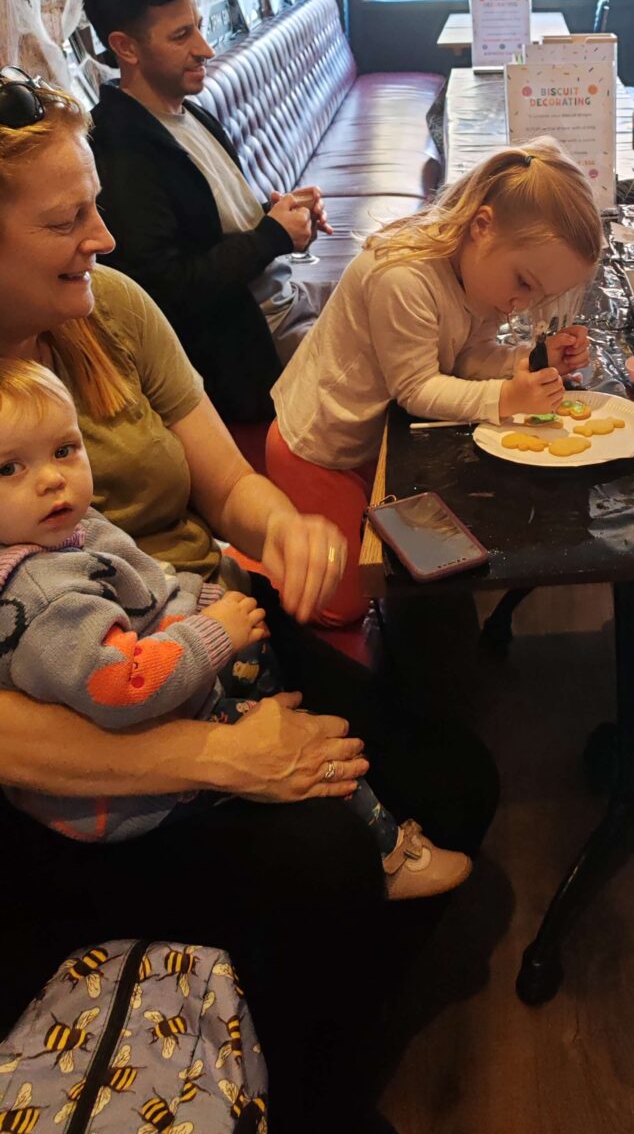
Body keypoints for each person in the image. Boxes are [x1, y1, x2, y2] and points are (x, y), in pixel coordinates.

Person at [0, 68, 499, 1134]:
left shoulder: (110, 310)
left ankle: (304, 1039)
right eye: (66, 217)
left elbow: (224, 481)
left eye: (95, 202)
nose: (101, 234)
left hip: (213, 637)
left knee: (459, 785)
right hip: (87, 764)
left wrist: (288, 530)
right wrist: (217, 758)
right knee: (326, 861)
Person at [0, 357, 471, 900]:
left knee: (451, 776)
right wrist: (213, 631)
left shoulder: (69, 526)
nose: (53, 478)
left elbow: (147, 575)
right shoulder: (44, 594)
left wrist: (208, 592)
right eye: (10, 469)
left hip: (184, 641)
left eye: (65, 450)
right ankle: (390, 853)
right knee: (322, 760)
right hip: (129, 752)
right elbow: (119, 685)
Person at [269, 137, 605, 626]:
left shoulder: (478, 274)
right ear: (482, 227)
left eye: (541, 296)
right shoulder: (402, 276)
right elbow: (419, 389)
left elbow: (468, 357)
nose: (522, 305)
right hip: (318, 447)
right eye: (525, 284)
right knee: (341, 604)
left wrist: (533, 357)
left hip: (375, 441)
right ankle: (260, 560)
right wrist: (508, 397)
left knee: (411, 570)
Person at [84, 0, 333, 424]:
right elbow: (166, 290)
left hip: (284, 310)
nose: (205, 49)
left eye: (198, 28)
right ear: (125, 47)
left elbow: (212, 227)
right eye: (181, 36)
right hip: (250, 357)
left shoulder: (190, 114)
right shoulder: (120, 151)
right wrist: (274, 237)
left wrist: (282, 214)